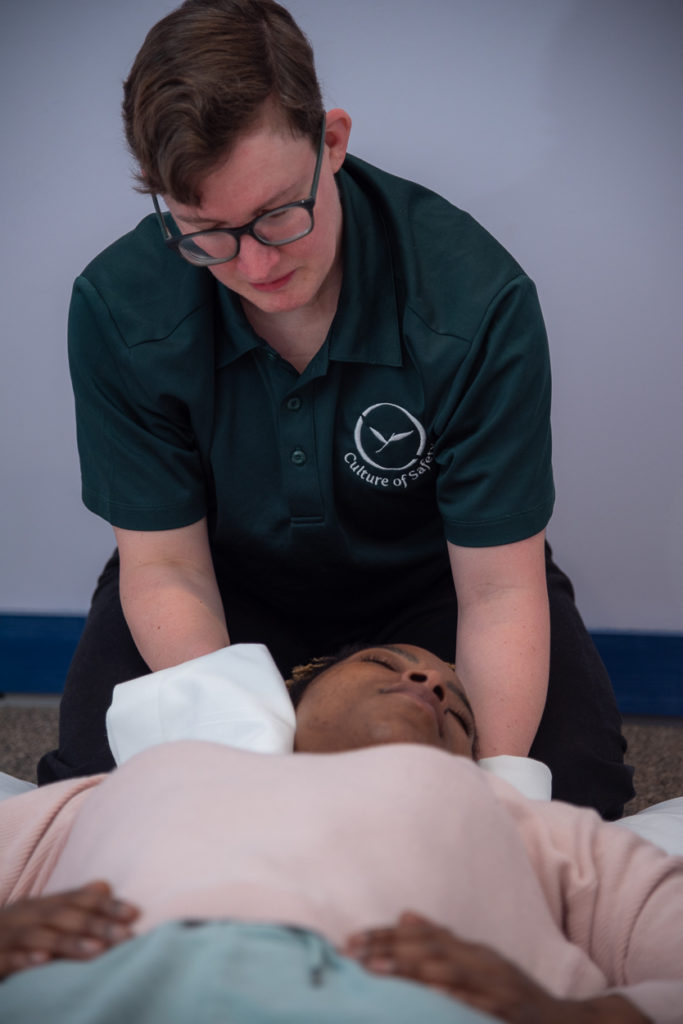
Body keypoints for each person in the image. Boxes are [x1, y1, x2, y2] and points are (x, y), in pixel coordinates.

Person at [38, 0, 633, 819]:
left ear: (332, 141)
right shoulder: (119, 306)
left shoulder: (475, 299)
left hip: (440, 585)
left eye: (278, 214)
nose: (252, 264)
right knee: (97, 793)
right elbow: (165, 567)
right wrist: (249, 767)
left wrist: (491, 807)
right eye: (206, 232)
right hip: (217, 582)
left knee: (570, 793)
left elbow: (498, 590)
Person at [4, 645, 682, 1022]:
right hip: (98, 989)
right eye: (385, 664)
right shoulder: (125, 786)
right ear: (294, 698)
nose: (426, 679)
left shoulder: (528, 823)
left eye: (460, 711)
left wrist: (581, 1019)